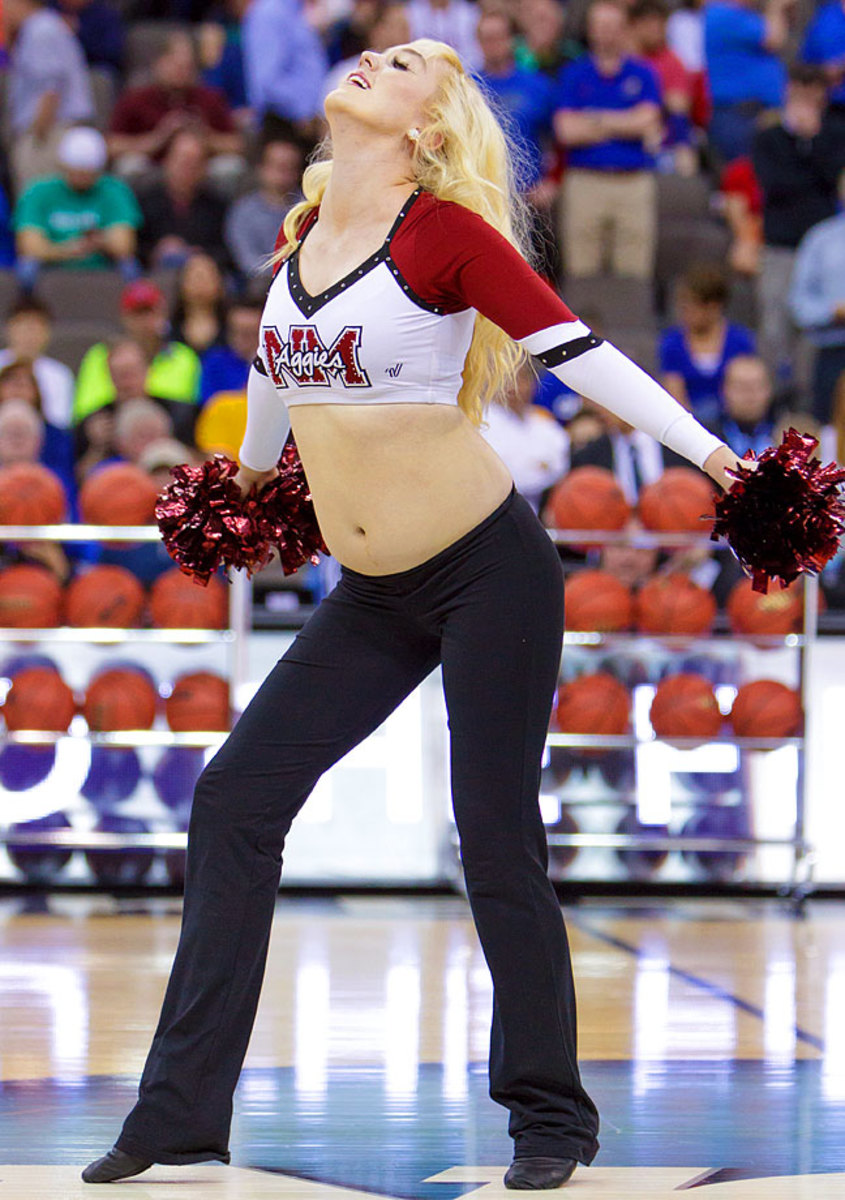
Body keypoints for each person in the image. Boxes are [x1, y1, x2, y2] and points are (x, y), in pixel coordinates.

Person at [82, 35, 739, 1191]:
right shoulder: (300, 239)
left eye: (411, 64)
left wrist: (714, 457)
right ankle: (179, 1117)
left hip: (490, 571)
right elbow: (273, 380)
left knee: (493, 831)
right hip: (371, 592)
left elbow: (576, 353)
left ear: (427, 131)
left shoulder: (441, 234)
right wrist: (242, 484)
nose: (381, 57)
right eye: (381, 50)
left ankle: (549, 1121)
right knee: (237, 797)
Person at [554, 0, 662, 280]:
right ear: (590, 31)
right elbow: (566, 131)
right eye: (600, 26)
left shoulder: (644, 73)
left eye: (613, 27)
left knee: (634, 273)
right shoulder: (574, 74)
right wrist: (625, 121)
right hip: (585, 182)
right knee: (582, 272)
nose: (607, 33)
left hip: (633, 183)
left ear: (625, 30)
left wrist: (592, 119)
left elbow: (648, 121)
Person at [751, 64, 845, 386]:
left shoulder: (834, 134)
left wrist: (812, 140)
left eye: (812, 90)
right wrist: (798, 142)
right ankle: (769, 400)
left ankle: (807, 401)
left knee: (815, 332)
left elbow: (834, 179)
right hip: (781, 247)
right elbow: (775, 184)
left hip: (824, 250)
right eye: (799, 90)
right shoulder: (769, 137)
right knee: (774, 328)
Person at [12, 126, 141, 292]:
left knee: (130, 266)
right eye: (77, 172)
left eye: (88, 173)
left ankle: (134, 314)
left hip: (100, 263)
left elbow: (124, 245)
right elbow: (29, 246)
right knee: (26, 267)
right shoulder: (39, 191)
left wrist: (99, 242)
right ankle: (27, 313)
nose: (82, 178)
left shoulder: (114, 190)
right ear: (65, 166)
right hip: (53, 264)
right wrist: (67, 250)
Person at [107, 31, 244, 185]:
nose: (181, 72)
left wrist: (205, 136)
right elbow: (111, 146)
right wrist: (157, 138)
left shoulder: (211, 98)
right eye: (175, 65)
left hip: (201, 167)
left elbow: (237, 145)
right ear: (158, 64)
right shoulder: (135, 99)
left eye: (187, 66)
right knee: (129, 166)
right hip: (154, 165)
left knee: (230, 166)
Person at [73, 279, 201, 439]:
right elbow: (87, 409)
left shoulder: (183, 357)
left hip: (170, 432)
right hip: (114, 432)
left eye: (150, 312)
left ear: (162, 314)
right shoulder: (99, 355)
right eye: (136, 314)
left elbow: (187, 408)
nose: (144, 322)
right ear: (124, 317)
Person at [2, 0, 94, 191]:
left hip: (49, 134)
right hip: (52, 130)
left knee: (40, 202)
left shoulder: (40, 30)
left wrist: (38, 135)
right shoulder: (44, 27)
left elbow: (50, 88)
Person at [659, 263, 756, 427]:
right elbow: (675, 398)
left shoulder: (740, 341)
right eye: (683, 307)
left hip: (732, 423)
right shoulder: (672, 344)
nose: (686, 313)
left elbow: (746, 387)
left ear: (713, 307)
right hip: (691, 424)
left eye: (692, 307)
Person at [703, 0, 792, 164]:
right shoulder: (721, 13)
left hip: (760, 113)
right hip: (738, 114)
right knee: (746, 177)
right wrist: (775, 6)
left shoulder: (749, 16)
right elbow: (774, 38)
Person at [789, 168, 845, 423]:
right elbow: (799, 304)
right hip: (832, 349)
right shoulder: (821, 239)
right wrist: (833, 311)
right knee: (829, 427)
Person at [479, 361, 570, 512]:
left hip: (539, 511)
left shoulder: (543, 422)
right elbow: (510, 479)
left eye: (520, 379)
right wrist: (540, 467)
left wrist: (529, 467)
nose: (512, 387)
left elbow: (561, 467)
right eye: (506, 379)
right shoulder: (481, 422)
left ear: (532, 383)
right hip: (493, 512)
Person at [135, 130, 229, 269]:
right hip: (154, 276)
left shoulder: (218, 206)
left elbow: (226, 252)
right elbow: (134, 249)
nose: (188, 170)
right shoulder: (144, 201)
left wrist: (199, 254)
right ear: (167, 161)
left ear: (205, 167)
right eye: (183, 162)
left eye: (195, 163)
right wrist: (155, 251)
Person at [224, 138, 304, 279]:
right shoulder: (243, 211)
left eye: (290, 167)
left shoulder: (307, 208)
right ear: (262, 168)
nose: (284, 174)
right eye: (278, 167)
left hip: (302, 279)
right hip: (258, 285)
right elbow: (246, 260)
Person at [0, 296, 74, 430]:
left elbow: (60, 422)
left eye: (36, 328)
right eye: (24, 327)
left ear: (48, 333)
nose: (30, 334)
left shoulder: (60, 375)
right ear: (9, 328)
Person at [708, 353, 778, 456]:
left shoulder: (789, 432)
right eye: (740, 387)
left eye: (757, 386)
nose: (749, 394)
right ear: (724, 390)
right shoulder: (704, 435)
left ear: (769, 389)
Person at [199, 297, 263, 404]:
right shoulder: (215, 362)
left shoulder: (273, 365)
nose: (243, 340)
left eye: (250, 334)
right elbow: (208, 403)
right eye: (237, 332)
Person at [169, 251, 228, 356]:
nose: (200, 283)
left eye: (206, 276)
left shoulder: (231, 328)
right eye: (194, 276)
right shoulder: (168, 330)